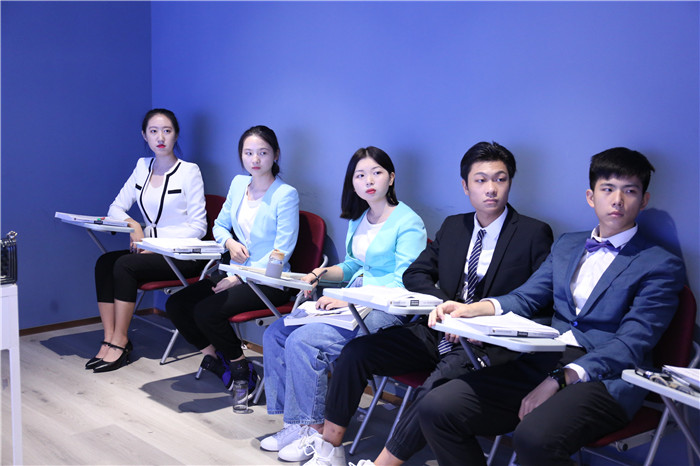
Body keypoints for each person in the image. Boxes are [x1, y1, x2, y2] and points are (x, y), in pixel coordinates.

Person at [421, 147, 686, 465]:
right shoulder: (567, 244)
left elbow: (632, 343)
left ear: (643, 200)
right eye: (608, 189)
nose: (617, 200)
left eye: (629, 191)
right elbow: (526, 296)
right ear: (591, 197)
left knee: (533, 438)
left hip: (607, 377)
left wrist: (560, 378)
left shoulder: (660, 263)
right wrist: (472, 308)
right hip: (545, 359)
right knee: (437, 406)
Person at [305, 142, 554, 466]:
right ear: (465, 186)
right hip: (437, 329)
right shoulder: (454, 226)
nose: (491, 189)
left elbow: (538, 302)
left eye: (500, 179)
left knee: (434, 389)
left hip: (484, 343)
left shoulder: (533, 233)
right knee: (356, 352)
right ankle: (330, 449)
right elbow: (415, 273)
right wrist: (448, 305)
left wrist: (476, 320)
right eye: (480, 180)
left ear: (510, 182)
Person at [261, 146, 427, 464]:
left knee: (303, 341)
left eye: (376, 173)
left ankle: (315, 430)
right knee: (276, 333)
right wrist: (321, 273)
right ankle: (296, 423)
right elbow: (353, 266)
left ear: (391, 177)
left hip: (385, 310)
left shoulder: (409, 222)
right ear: (353, 182)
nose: (369, 181)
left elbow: (405, 282)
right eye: (360, 175)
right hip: (353, 303)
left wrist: (347, 297)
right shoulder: (359, 218)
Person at [166, 125, 299, 390]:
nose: (255, 159)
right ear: (241, 156)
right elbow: (219, 226)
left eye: (263, 152)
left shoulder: (285, 194)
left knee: (206, 311)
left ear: (276, 155)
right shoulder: (239, 184)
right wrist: (228, 242)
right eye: (248, 153)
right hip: (234, 271)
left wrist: (239, 277)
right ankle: (215, 359)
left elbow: (281, 252)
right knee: (177, 304)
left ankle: (241, 368)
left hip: (269, 280)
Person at [90, 108, 207, 373]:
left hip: (180, 256)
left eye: (167, 131)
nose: (160, 137)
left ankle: (121, 341)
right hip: (148, 251)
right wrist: (134, 225)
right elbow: (115, 208)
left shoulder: (189, 171)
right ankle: (109, 338)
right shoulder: (142, 166)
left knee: (124, 265)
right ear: (145, 135)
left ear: (176, 134)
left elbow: (198, 227)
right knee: (105, 262)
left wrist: (154, 243)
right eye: (153, 131)